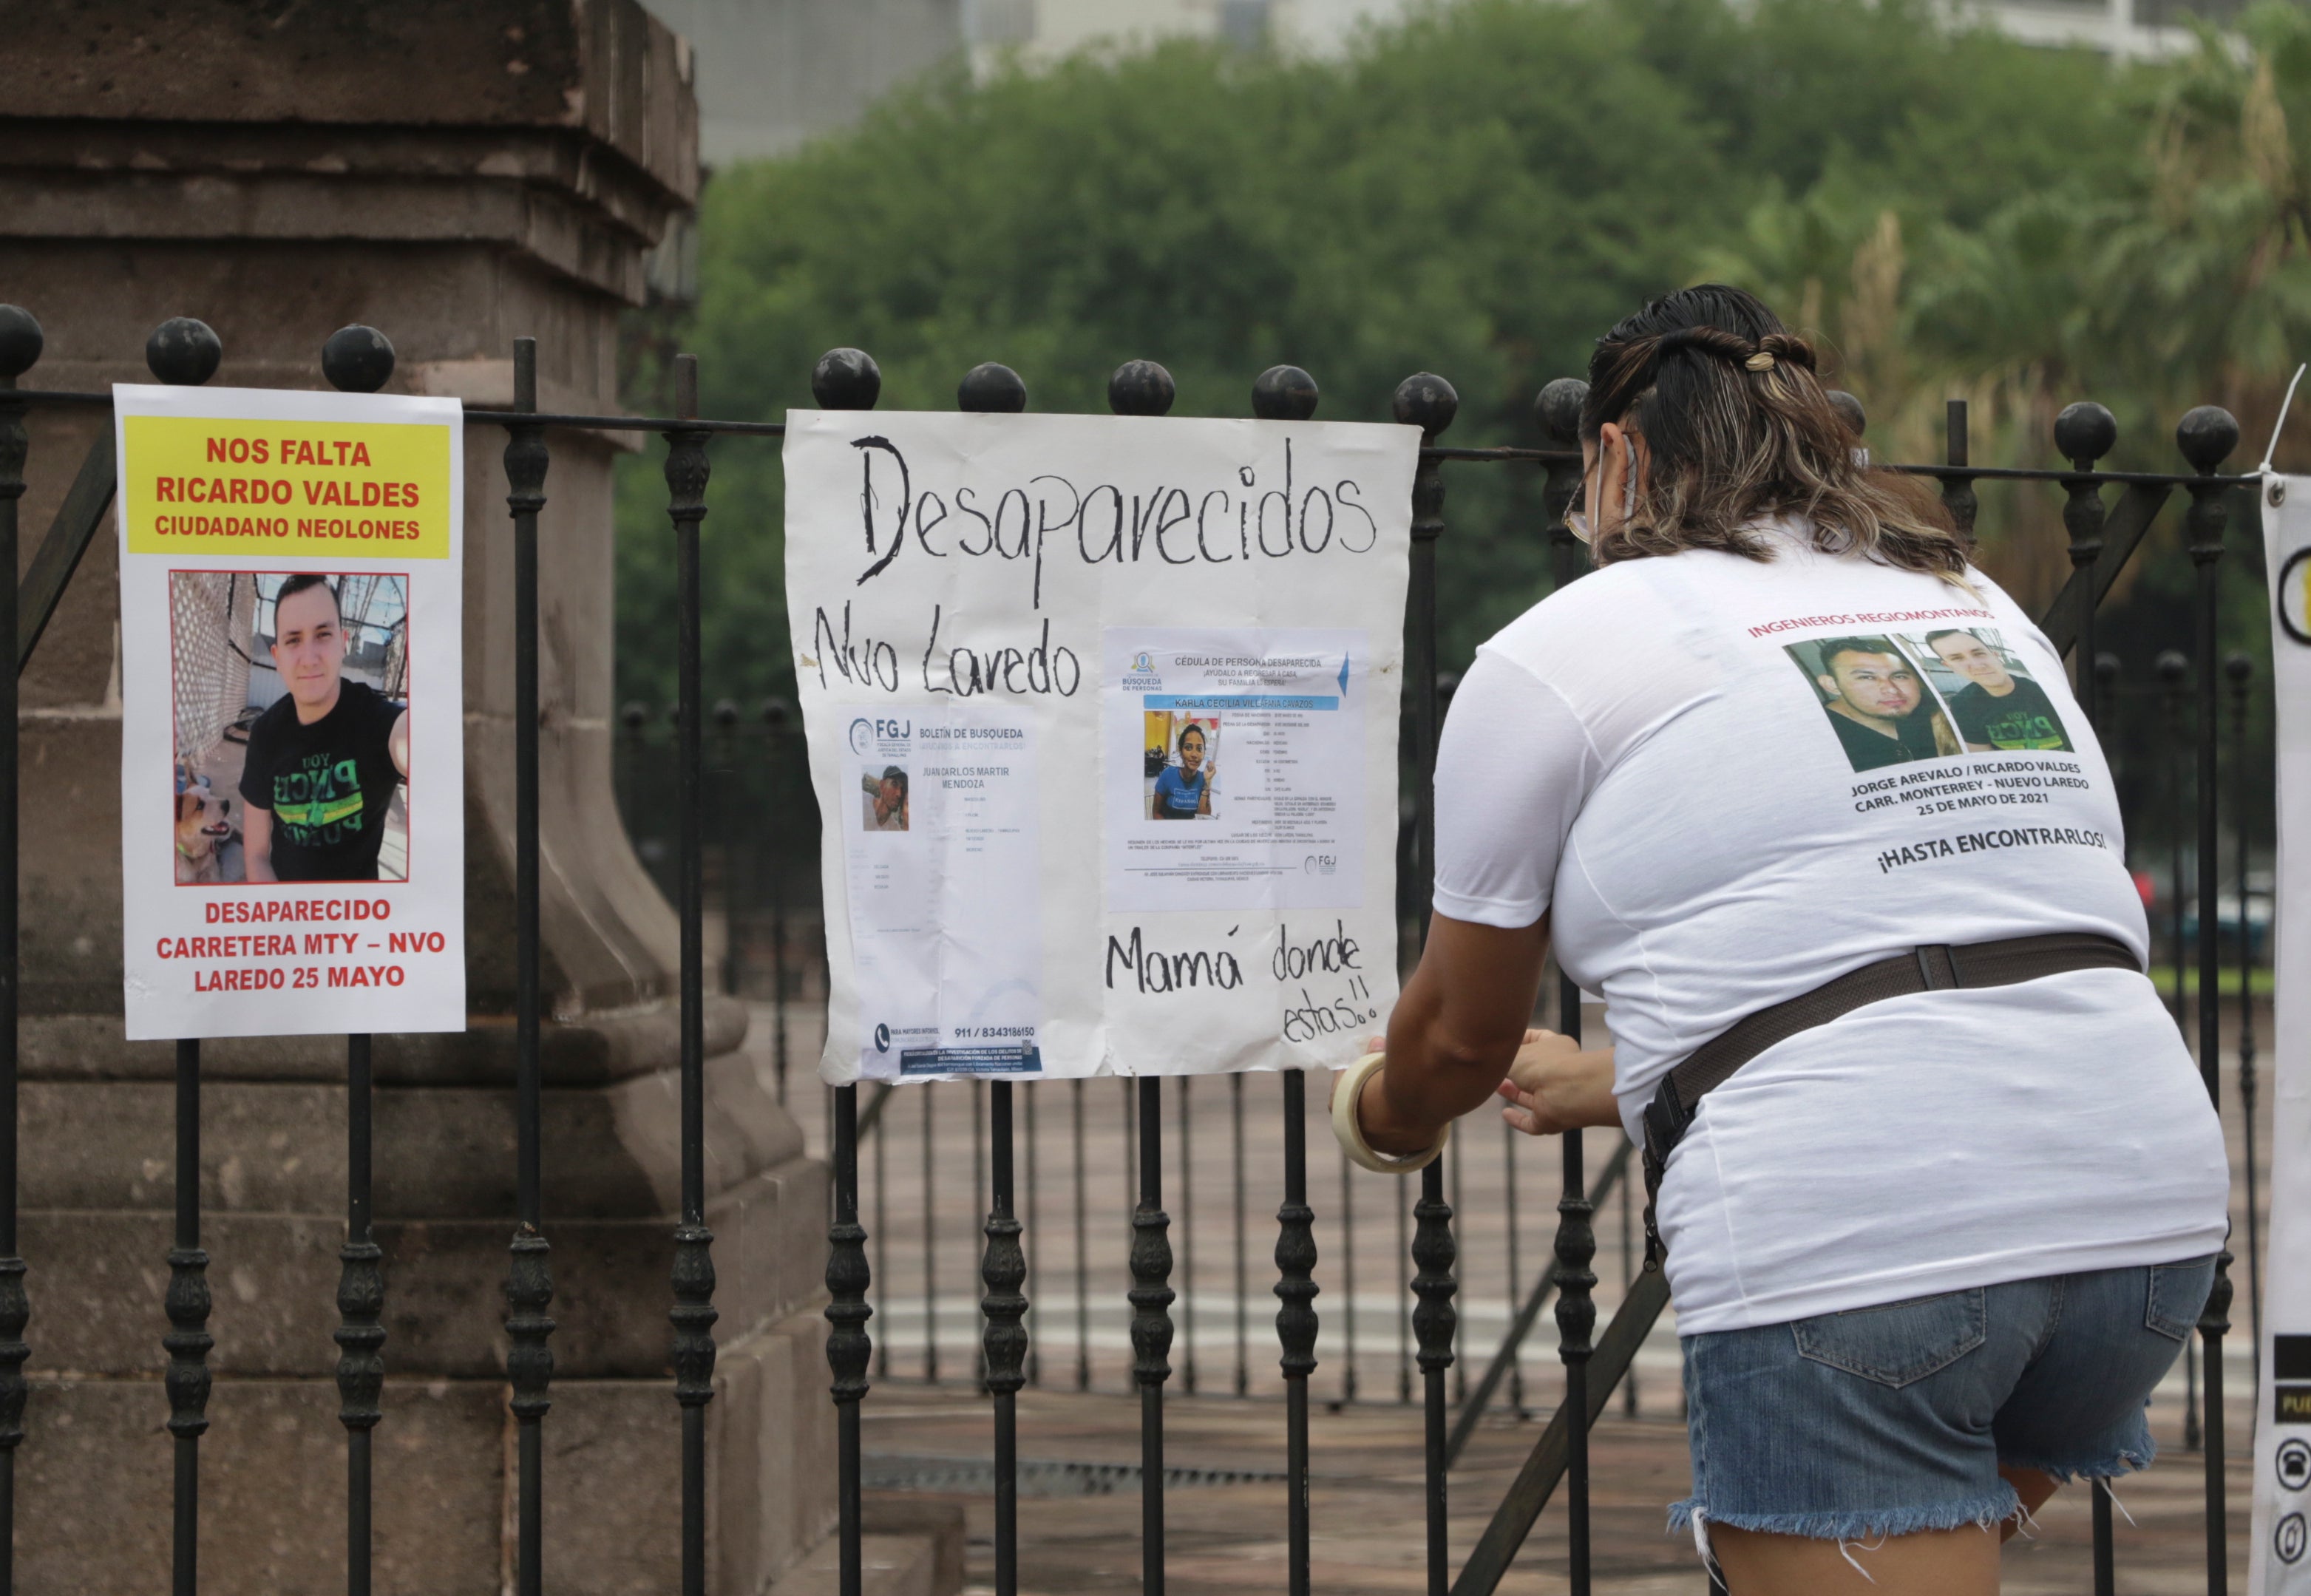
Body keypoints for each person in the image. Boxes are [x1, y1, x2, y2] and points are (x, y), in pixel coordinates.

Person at [1331, 286, 2225, 1595]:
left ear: (1618, 453)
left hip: (1869, 1235)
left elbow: (1459, 1032)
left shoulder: (1558, 647)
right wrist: (1625, 1073)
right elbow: (1953, 915)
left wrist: (1386, 1113)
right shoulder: (1966, 598)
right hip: (2142, 1214)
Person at [239, 574, 408, 883]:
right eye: (293, 640)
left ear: (343, 642)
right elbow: (256, 855)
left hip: (360, 921)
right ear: (277, 657)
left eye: (323, 634)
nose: (309, 658)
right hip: (287, 914)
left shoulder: (374, 719)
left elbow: (409, 737)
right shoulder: (265, 735)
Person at [1808, 636, 1951, 770]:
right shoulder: (1814, 740)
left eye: (1900, 676)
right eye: (1867, 677)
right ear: (1832, 685)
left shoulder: (1932, 718)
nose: (1891, 690)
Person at [1926, 628, 2074, 753]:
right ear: (1949, 667)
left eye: (1979, 653)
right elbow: (1985, 762)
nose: (1977, 665)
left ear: (1995, 655)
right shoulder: (1963, 705)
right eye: (1958, 659)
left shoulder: (2043, 691)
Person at [1151, 723, 1215, 819]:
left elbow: (1203, 819)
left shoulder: (1203, 779)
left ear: (1204, 753)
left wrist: (1208, 781)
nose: (1194, 754)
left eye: (1199, 749)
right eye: (1188, 747)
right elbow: (1156, 812)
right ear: (1180, 752)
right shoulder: (1167, 775)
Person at [861, 767, 909, 831]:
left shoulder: (894, 829)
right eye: (894, 784)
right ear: (882, 786)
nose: (899, 794)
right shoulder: (862, 801)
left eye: (902, 789)